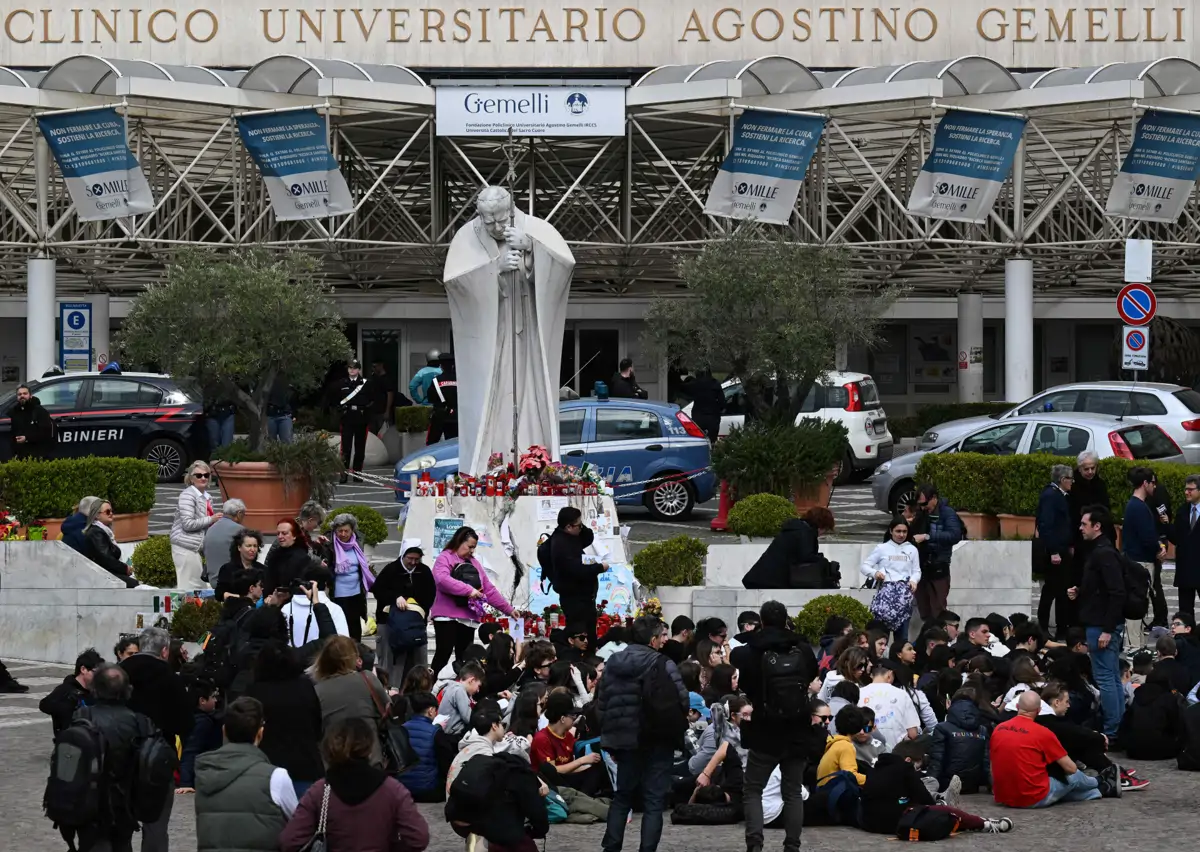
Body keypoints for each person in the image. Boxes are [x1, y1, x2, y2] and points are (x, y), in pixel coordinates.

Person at [728, 600, 816, 852]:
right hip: (797, 727)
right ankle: (792, 846)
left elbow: (736, 660)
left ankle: (755, 844)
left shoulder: (753, 649)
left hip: (765, 728)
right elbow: (810, 675)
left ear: (762, 621)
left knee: (753, 788)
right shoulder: (801, 648)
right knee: (793, 792)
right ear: (786, 619)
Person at [596, 615, 688, 852]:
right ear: (654, 639)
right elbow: (682, 698)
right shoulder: (662, 663)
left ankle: (611, 847)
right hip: (657, 738)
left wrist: (610, 740)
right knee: (654, 801)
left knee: (622, 797)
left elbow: (602, 703)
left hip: (623, 739)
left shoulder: (613, 662)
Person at [279, 718, 430, 852]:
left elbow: (290, 841)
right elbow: (418, 838)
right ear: (369, 748)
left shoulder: (319, 791)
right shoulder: (392, 790)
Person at [121, 627, 194, 852]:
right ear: (164, 651)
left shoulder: (120, 672)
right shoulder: (170, 677)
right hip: (158, 759)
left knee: (119, 823)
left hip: (121, 756)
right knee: (156, 826)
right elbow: (185, 725)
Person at [193, 696, 297, 852]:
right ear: (260, 733)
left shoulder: (205, 772)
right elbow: (297, 824)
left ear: (224, 731)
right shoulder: (276, 777)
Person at [64, 664, 148, 852]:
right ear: (127, 690)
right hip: (124, 802)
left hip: (89, 801)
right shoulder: (139, 722)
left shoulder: (82, 716)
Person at [857, 740, 1013, 836]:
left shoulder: (875, 769)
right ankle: (984, 823)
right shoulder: (905, 768)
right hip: (894, 821)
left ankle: (943, 800)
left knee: (929, 786)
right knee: (941, 812)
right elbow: (924, 799)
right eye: (917, 765)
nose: (918, 769)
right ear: (909, 760)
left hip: (870, 821)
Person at [1069, 505, 1128, 741]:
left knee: (1106, 678)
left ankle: (1112, 730)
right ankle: (1116, 726)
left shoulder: (1103, 553)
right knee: (1110, 676)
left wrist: (1106, 629)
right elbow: (1102, 589)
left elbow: (1116, 592)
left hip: (1102, 625)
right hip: (1101, 623)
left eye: (1084, 524)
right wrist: (1081, 590)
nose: (1080, 528)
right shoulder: (1100, 551)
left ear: (1097, 526)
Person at [991, 691, 1108, 808]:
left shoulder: (998, 729)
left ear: (1017, 707)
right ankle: (1101, 781)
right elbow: (1071, 769)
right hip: (1033, 797)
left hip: (1005, 797)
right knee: (1072, 778)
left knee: (1063, 791)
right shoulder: (1043, 733)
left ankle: (1100, 791)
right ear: (1039, 710)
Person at [430, 526, 517, 674]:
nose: (472, 551)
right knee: (442, 655)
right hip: (446, 617)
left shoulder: (475, 563)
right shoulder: (445, 557)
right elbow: (442, 579)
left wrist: (509, 610)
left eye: (474, 548)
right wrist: (469, 590)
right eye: (469, 547)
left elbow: (488, 589)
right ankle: (430, 689)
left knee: (465, 659)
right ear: (459, 541)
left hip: (468, 619)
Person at [312, 636, 389, 766]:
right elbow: (388, 711)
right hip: (371, 759)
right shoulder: (367, 679)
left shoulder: (316, 691)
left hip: (333, 764)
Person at [374, 545, 436, 685]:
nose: (413, 562)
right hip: (390, 622)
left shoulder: (424, 571)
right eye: (410, 558)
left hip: (415, 624)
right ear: (403, 555)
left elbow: (430, 594)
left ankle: (417, 687)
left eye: (417, 559)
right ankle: (389, 687)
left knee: (417, 659)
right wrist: (395, 597)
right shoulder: (391, 569)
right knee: (391, 659)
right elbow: (378, 590)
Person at [546, 506, 605, 652]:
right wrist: (599, 568)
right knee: (580, 635)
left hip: (584, 597)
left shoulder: (572, 536)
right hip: (574, 598)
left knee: (590, 632)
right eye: (578, 525)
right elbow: (577, 570)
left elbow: (588, 537)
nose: (581, 528)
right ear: (568, 527)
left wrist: (581, 527)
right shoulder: (561, 545)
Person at [742, 507, 838, 590]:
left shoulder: (795, 528)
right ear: (821, 525)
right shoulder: (805, 532)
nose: (823, 533)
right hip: (771, 581)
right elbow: (806, 556)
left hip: (759, 577)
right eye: (825, 529)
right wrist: (822, 560)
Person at [532, 690, 605, 795]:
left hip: (567, 779)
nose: (575, 719)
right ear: (562, 718)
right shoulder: (542, 739)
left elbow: (569, 768)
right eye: (572, 716)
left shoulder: (568, 736)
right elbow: (553, 771)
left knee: (595, 770)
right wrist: (581, 761)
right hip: (550, 786)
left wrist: (589, 765)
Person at [861, 517, 921, 645]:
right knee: (881, 638)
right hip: (885, 601)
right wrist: (875, 573)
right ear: (891, 531)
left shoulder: (912, 549)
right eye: (898, 531)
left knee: (902, 639)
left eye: (904, 531)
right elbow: (865, 566)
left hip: (903, 600)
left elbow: (917, 570)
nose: (901, 535)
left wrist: (914, 580)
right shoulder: (882, 548)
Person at [321, 513, 375, 642]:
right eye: (340, 531)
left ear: (352, 531)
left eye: (347, 531)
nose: (343, 534)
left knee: (355, 625)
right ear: (335, 530)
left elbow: (362, 566)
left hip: (356, 592)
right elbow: (323, 564)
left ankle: (356, 653)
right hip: (338, 593)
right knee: (341, 626)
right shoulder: (328, 544)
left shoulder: (357, 542)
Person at [1036, 464, 1076, 637]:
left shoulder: (1059, 496)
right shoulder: (1051, 496)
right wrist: (1053, 551)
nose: (1072, 482)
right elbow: (1046, 525)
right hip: (1055, 552)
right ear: (1062, 480)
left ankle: (1061, 628)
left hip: (1062, 550)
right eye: (1070, 479)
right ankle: (1043, 627)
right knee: (1050, 591)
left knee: (1061, 592)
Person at [170, 461, 223, 589]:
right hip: (185, 546)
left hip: (193, 547)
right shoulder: (188, 495)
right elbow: (188, 524)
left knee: (196, 586)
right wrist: (211, 519)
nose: (203, 478)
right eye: (198, 476)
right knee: (190, 587)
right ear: (191, 478)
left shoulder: (206, 497)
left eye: (206, 475)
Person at [927, 687, 991, 794]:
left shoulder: (942, 728)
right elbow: (986, 762)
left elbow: (937, 760)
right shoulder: (982, 730)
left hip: (947, 785)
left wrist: (928, 785)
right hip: (972, 786)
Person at [913, 484, 962, 622]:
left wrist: (928, 537)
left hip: (939, 566)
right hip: (922, 567)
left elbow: (954, 535)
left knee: (938, 611)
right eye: (920, 504)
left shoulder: (947, 513)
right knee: (924, 609)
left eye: (925, 503)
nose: (923, 507)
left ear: (934, 498)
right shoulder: (922, 513)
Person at [1122, 664, 1187, 760]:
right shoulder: (1168, 698)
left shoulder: (1138, 695)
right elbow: (1176, 724)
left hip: (1133, 750)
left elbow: (1126, 721)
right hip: (1160, 749)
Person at [857, 659, 920, 750]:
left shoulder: (859, 693)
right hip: (896, 751)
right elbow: (913, 734)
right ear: (889, 675)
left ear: (872, 675)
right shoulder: (901, 694)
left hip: (866, 752)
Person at [40, 648, 103, 735]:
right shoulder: (65, 690)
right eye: (96, 672)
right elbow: (44, 705)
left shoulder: (97, 691)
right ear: (83, 669)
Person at [177, 679, 223, 794]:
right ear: (202, 700)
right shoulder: (203, 722)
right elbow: (191, 751)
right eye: (212, 697)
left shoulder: (189, 718)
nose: (215, 700)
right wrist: (185, 783)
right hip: (200, 776)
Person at [84, 500, 139, 588]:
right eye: (107, 512)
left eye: (112, 511)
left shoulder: (103, 531)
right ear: (97, 515)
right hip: (103, 574)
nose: (111, 513)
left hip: (108, 573)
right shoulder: (95, 533)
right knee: (135, 585)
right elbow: (105, 558)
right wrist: (124, 568)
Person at [1169, 474, 1200, 622]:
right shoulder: (1182, 511)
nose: (1187, 492)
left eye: (1191, 489)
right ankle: (1188, 638)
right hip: (1186, 570)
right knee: (1185, 610)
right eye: (1185, 489)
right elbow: (1177, 538)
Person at [399, 692, 441, 802]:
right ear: (431, 710)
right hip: (427, 790)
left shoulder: (400, 729)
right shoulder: (435, 732)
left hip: (402, 788)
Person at [263, 519, 317, 597]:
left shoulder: (302, 557)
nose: (280, 537)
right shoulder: (275, 555)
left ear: (294, 536)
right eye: (278, 533)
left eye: (284, 533)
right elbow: (268, 580)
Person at [203, 499, 246, 587]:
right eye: (244, 514)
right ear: (239, 514)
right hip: (232, 581)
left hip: (213, 580)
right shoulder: (240, 530)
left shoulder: (211, 529)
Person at [214, 530, 264, 602]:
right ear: (239, 547)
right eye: (248, 546)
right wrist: (244, 598)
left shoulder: (262, 569)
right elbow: (219, 594)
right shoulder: (227, 569)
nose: (252, 549)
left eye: (255, 546)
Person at [438, 661, 484, 737]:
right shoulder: (459, 690)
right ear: (472, 680)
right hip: (452, 736)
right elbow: (468, 718)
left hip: (445, 733)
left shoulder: (451, 687)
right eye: (478, 686)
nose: (478, 690)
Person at [10, 383, 53, 458]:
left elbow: (46, 433)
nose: (22, 396)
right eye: (19, 394)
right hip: (20, 455)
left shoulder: (39, 411)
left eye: (25, 393)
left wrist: (27, 438)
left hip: (37, 453)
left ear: (30, 395)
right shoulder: (14, 411)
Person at [685, 368, 725, 443]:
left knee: (698, 441)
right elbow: (722, 401)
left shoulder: (695, 384)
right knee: (712, 441)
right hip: (712, 416)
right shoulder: (715, 383)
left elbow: (685, 391)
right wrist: (719, 410)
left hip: (698, 416)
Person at [426, 351, 458, 444]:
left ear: (441, 366)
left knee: (432, 443)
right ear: (452, 365)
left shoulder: (436, 381)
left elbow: (430, 398)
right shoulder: (460, 380)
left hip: (440, 415)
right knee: (454, 443)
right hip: (456, 416)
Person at [367, 360, 403, 434]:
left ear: (381, 365)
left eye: (375, 366)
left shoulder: (387, 379)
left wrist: (387, 411)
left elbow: (390, 394)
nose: (373, 369)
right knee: (372, 434)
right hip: (374, 411)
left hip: (382, 411)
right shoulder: (375, 379)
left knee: (384, 433)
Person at [265, 375, 295, 443]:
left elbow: (293, 398)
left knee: (287, 441)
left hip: (285, 415)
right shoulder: (268, 380)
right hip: (271, 415)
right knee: (271, 442)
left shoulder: (289, 379)